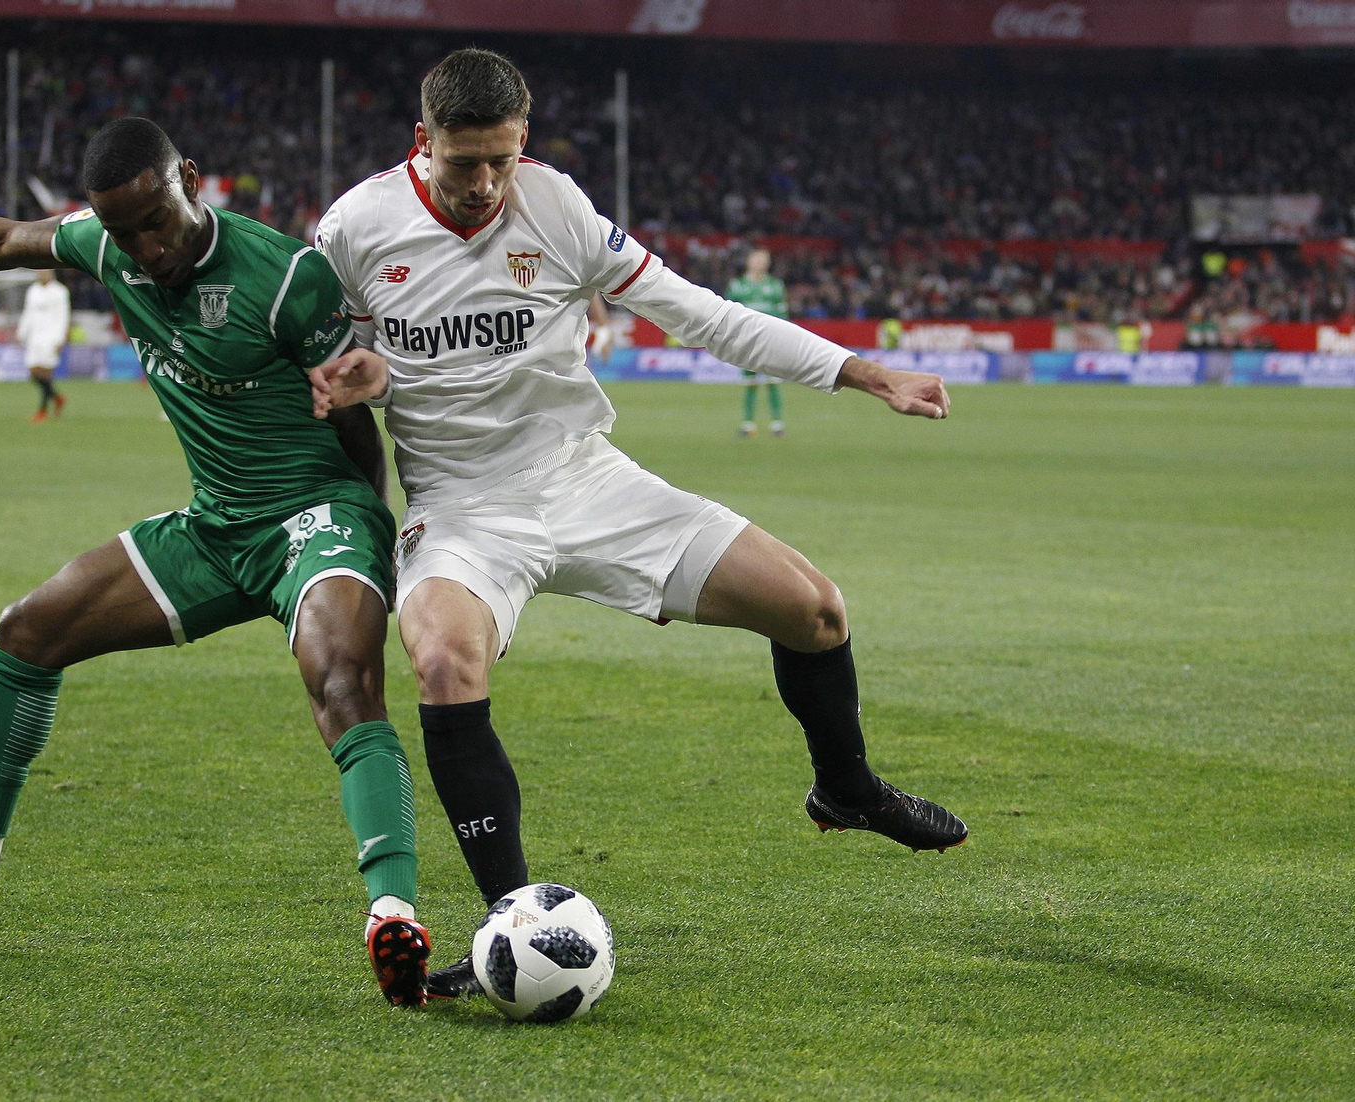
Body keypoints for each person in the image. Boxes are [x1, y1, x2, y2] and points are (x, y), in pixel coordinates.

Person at [310, 49, 968, 1001]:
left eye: (502, 159)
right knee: (447, 662)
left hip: (585, 480)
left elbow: (698, 314)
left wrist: (867, 374)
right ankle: (511, 926)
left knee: (815, 609)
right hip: (459, 508)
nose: (485, 184)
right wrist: (360, 375)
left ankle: (849, 790)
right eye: (464, 164)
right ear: (423, 143)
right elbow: (335, 360)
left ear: (523, 141)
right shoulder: (355, 228)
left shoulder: (559, 207)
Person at [0, 117, 433, 1007]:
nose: (145, 248)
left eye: (156, 220)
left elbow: (356, 426)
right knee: (29, 630)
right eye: (123, 232)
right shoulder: (110, 246)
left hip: (314, 516)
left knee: (342, 677)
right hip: (215, 527)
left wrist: (366, 541)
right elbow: (1, 240)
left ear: (190, 179)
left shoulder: (287, 279)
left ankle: (391, 915)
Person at [727, 247, 787, 437]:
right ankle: (748, 424)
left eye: (764, 259)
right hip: (747, 341)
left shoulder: (776, 286)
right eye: (758, 259)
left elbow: (783, 315)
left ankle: (777, 424)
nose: (761, 263)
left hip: (770, 340)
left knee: (772, 381)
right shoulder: (737, 286)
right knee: (750, 382)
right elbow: (727, 313)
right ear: (749, 261)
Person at [17, 268, 71, 422]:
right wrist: (22, 332)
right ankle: (58, 398)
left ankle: (42, 411)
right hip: (35, 337)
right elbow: (27, 313)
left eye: (44, 271)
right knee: (33, 372)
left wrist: (60, 339)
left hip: (51, 337)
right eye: (39, 271)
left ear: (51, 272)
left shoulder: (60, 292)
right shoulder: (33, 291)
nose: (41, 274)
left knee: (45, 374)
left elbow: (64, 316)